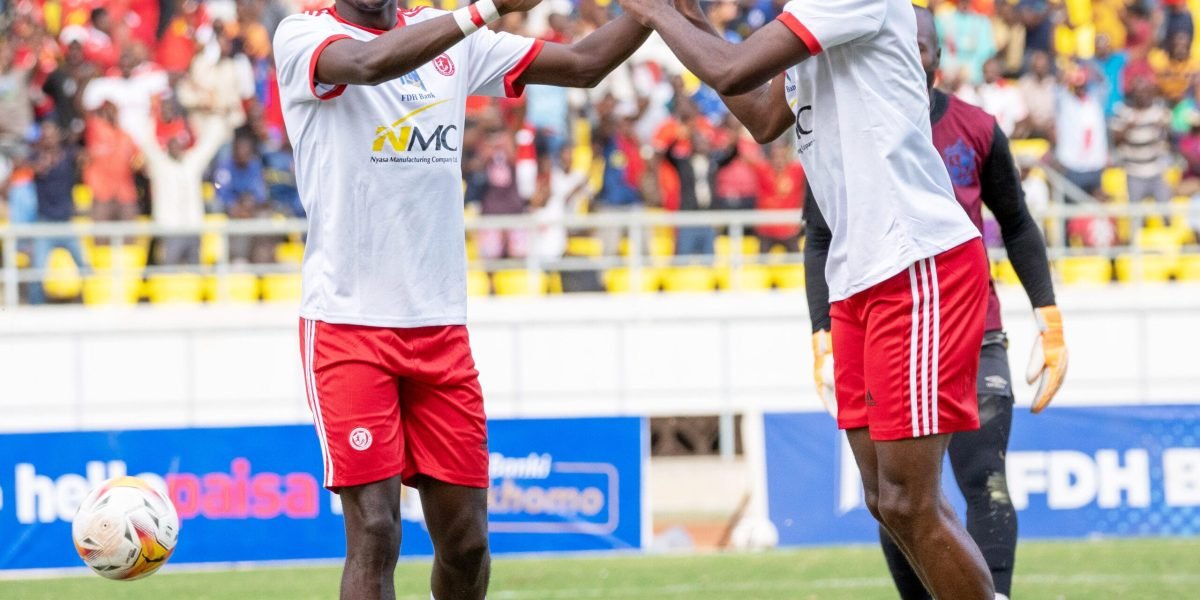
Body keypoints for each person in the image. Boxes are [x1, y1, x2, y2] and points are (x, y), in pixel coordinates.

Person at [272, 0, 651, 597]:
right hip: (348, 324)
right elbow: (369, 64)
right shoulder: (304, 35)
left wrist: (666, 12)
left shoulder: (451, 37)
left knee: (467, 543)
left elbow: (584, 63)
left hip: (440, 328)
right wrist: (488, 9)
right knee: (375, 530)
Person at [616, 0, 994, 596]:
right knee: (885, 502)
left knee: (911, 502)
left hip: (915, 263)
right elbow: (765, 115)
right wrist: (694, 23)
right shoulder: (810, 13)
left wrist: (657, 14)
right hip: (859, 272)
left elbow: (736, 72)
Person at [805, 7, 1067, 599]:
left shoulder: (975, 126)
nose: (915, 55)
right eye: (908, 45)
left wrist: (1048, 317)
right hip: (886, 313)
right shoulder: (843, 126)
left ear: (938, 58)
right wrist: (821, 332)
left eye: (924, 47)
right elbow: (820, 233)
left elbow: (1018, 224)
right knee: (896, 496)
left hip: (973, 326)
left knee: (983, 479)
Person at [133, 115, 231, 266]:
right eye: (172, 145)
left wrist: (213, 117)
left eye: (178, 144)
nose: (176, 148)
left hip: (193, 228)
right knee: (168, 271)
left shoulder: (192, 163)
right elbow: (147, 144)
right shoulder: (160, 165)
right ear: (167, 148)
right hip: (169, 230)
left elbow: (209, 144)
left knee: (195, 274)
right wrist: (153, 117)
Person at [29, 122, 90, 305]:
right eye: (45, 135)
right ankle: (36, 310)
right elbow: (25, 166)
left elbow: (84, 157)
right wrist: (39, 165)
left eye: (52, 134)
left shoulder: (68, 154)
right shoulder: (35, 157)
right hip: (45, 223)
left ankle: (88, 303)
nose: (49, 138)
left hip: (66, 223)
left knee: (84, 266)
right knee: (37, 271)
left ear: (58, 136)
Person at [1113, 77, 1172, 206]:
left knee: (1166, 212)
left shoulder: (1159, 113)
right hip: (1134, 172)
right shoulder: (1123, 112)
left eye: (1145, 91)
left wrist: (1164, 128)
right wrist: (1128, 128)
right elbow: (1115, 141)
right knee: (1136, 215)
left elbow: (1170, 140)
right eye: (1138, 92)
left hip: (1156, 171)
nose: (1142, 95)